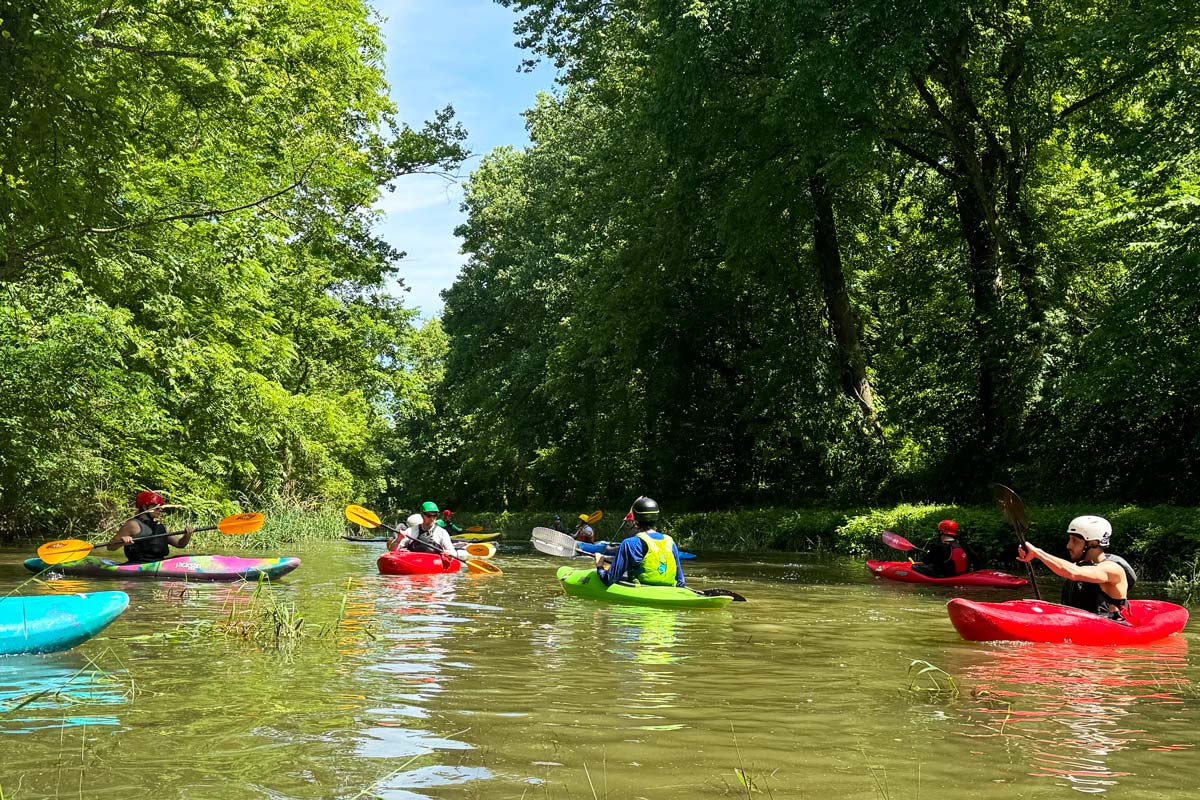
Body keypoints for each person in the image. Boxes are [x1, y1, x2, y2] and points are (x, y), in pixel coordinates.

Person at [1017, 515, 1136, 622]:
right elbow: (1067, 569)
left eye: (1075, 540)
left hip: (1108, 629)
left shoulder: (1111, 569)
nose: (1068, 545)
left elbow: (1073, 573)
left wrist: (1037, 553)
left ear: (1093, 543)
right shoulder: (1080, 565)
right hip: (1077, 624)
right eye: (1069, 539)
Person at [594, 496, 685, 587]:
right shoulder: (670, 541)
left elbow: (609, 579)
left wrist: (600, 565)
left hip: (641, 588)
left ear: (635, 520)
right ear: (656, 518)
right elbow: (681, 581)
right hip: (670, 589)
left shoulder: (629, 543)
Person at [108, 490, 194, 564]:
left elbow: (180, 544)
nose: (160, 510)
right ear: (145, 507)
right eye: (156, 507)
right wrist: (122, 542)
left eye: (160, 507)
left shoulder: (160, 527)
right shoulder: (133, 525)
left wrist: (187, 535)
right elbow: (110, 547)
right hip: (138, 565)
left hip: (159, 564)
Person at [390, 501, 455, 556]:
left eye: (434, 515)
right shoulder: (411, 531)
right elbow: (393, 551)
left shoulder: (442, 532)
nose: (432, 519)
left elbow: (453, 553)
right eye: (429, 515)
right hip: (413, 562)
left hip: (433, 564)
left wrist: (449, 553)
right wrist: (399, 539)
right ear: (422, 515)